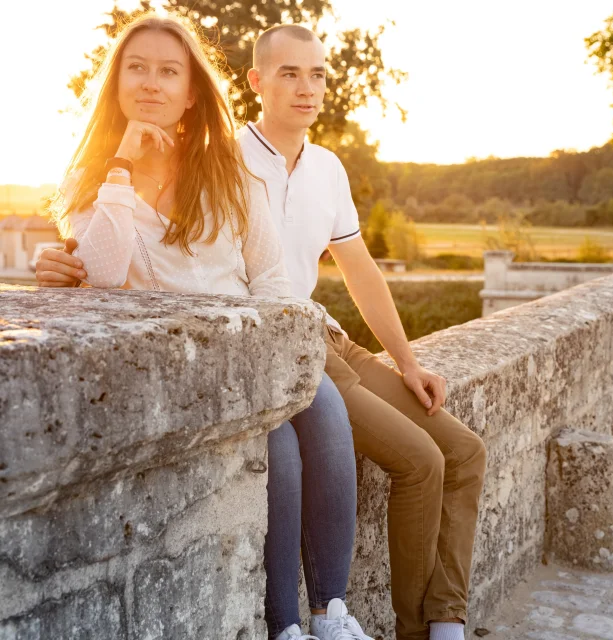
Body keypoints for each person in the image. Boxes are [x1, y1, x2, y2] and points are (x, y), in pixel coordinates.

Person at [38, 20, 487, 640]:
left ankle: (392, 617)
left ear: (190, 90)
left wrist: (405, 361)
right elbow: (106, 266)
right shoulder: (198, 157)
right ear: (255, 82)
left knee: (448, 447)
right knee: (368, 457)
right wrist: (99, 202)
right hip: (242, 355)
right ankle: (326, 627)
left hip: (299, 337)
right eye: (289, 73)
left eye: (317, 74)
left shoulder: (297, 168)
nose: (307, 88)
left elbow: (334, 271)